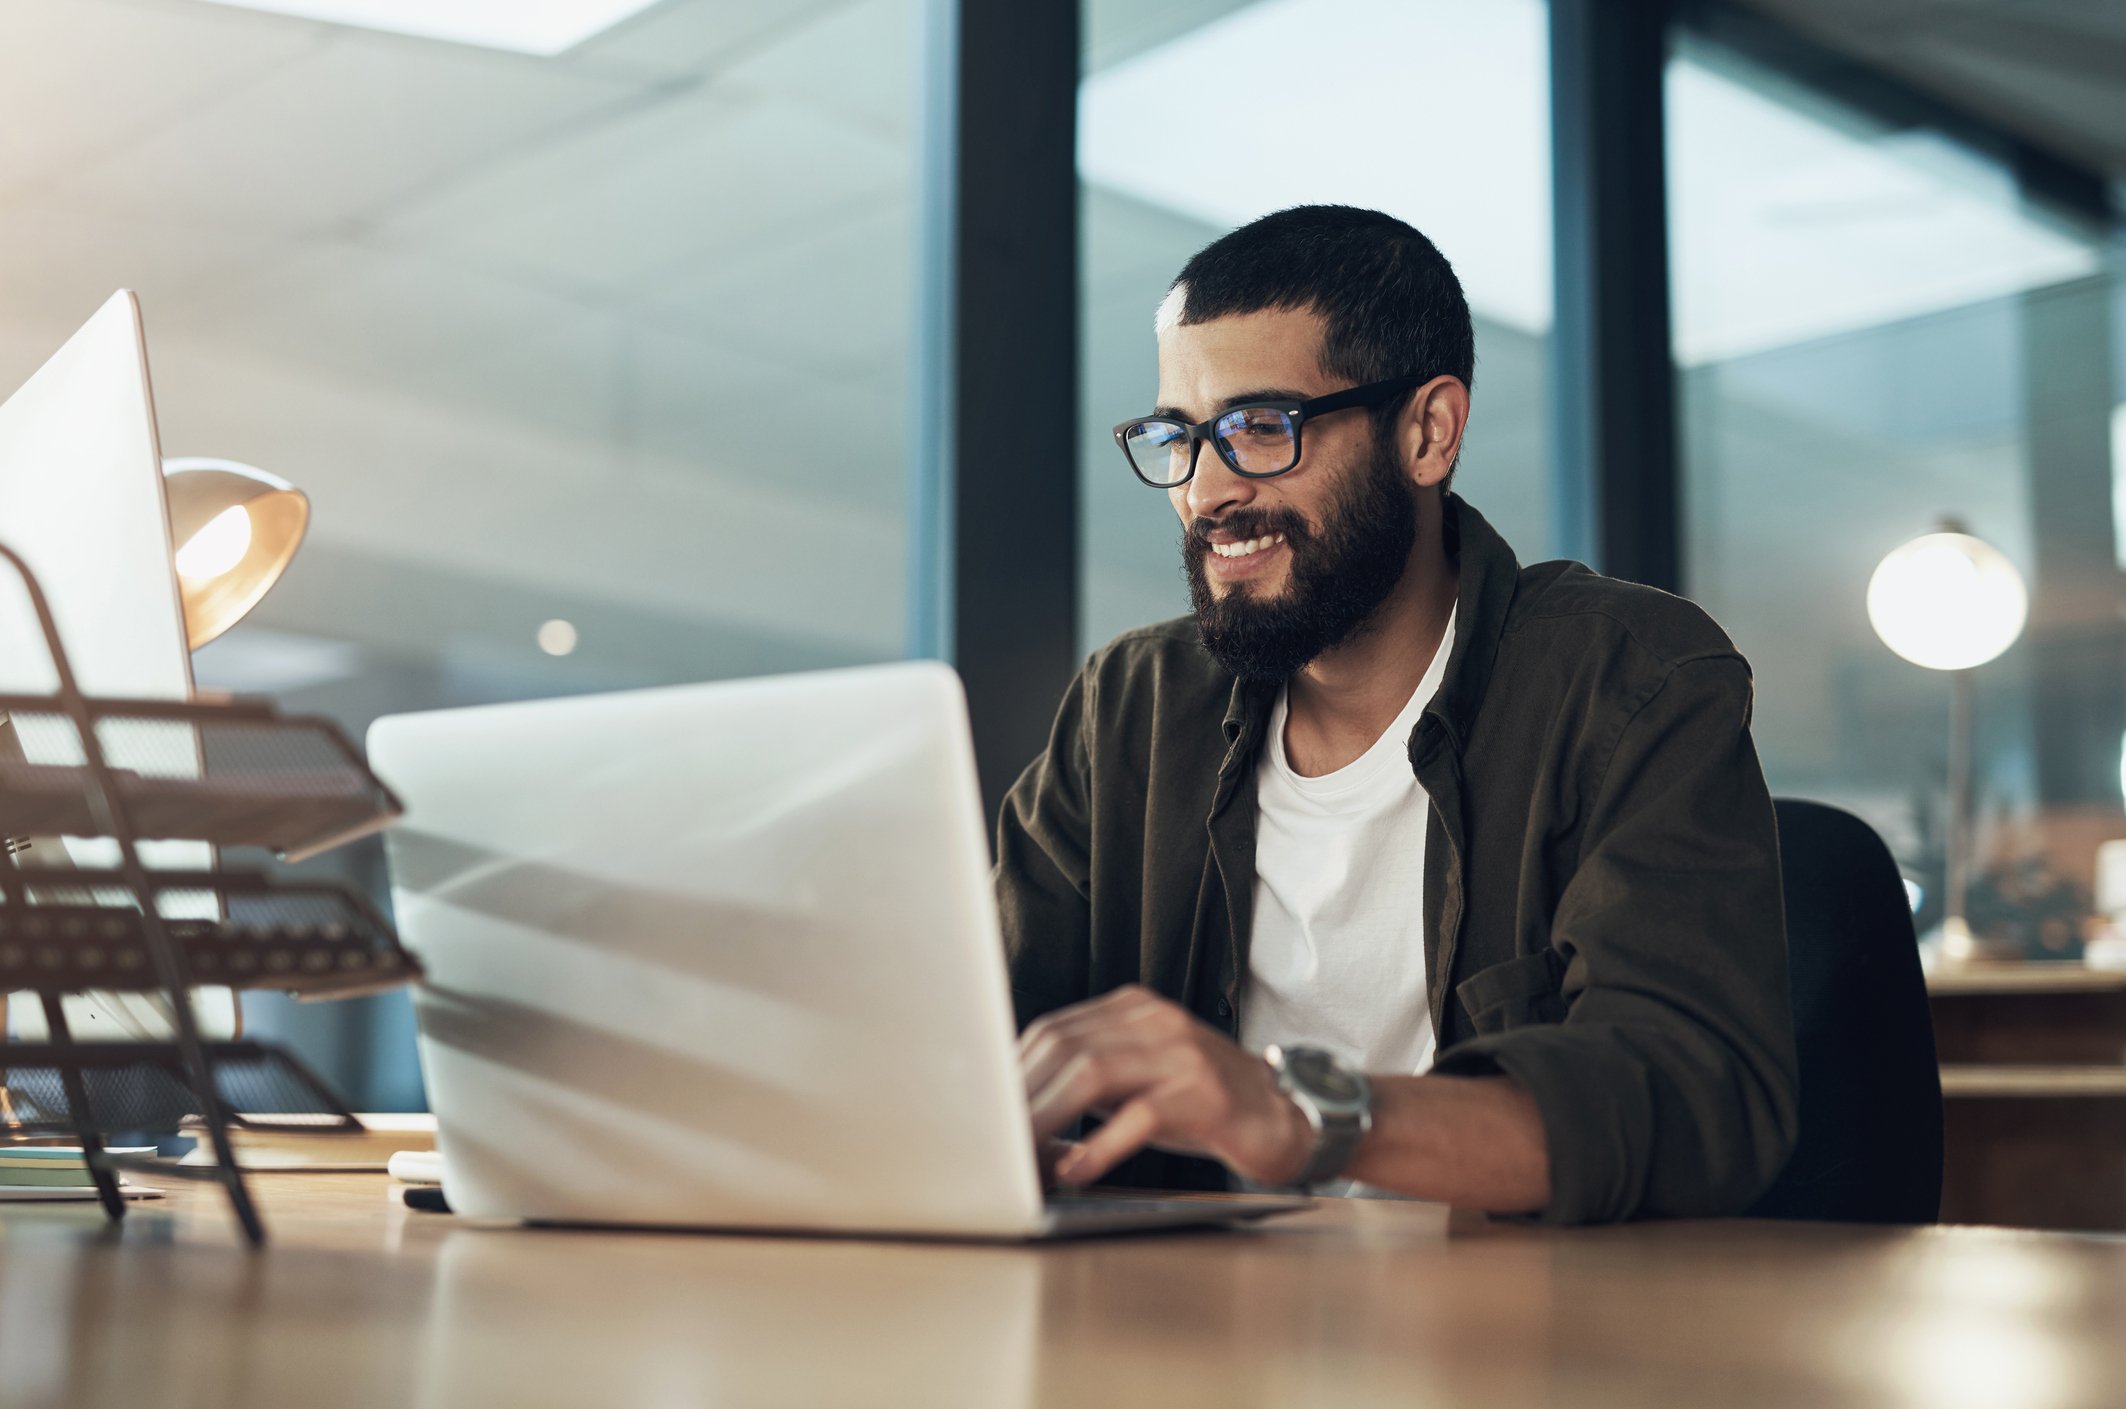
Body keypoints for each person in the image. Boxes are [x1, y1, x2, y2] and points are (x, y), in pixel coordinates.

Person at [998, 205, 1797, 1223]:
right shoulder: (1132, 707)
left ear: (1426, 431)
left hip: (1517, 1335)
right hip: (1186, 1326)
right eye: (1178, 435)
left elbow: (1692, 1094)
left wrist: (1302, 1113)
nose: (1202, 491)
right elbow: (975, 1025)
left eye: (1258, 427)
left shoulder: (1628, 677)